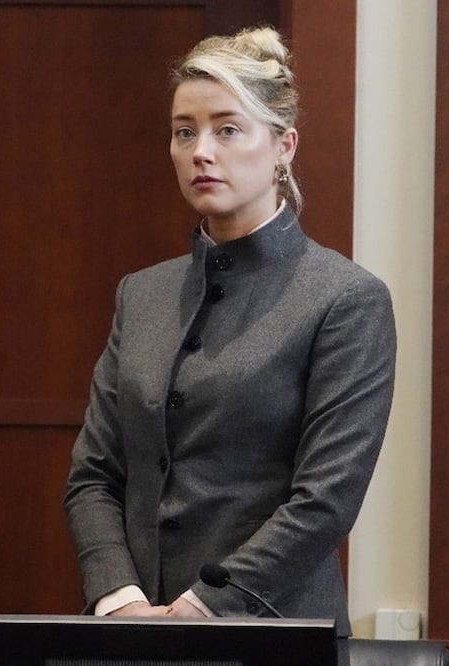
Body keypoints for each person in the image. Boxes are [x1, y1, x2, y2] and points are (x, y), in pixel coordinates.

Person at [63, 25, 396, 638]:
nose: (201, 151)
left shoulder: (347, 299)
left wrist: (204, 608)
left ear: (283, 146)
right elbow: (94, 476)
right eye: (184, 130)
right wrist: (120, 597)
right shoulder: (142, 294)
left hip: (273, 631)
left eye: (227, 129)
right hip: (135, 634)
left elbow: (326, 499)